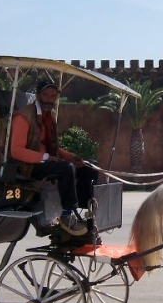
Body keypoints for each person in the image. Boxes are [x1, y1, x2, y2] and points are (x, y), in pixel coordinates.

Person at [7, 78, 96, 236]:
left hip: (45, 160)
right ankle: (66, 216)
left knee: (87, 168)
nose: (50, 98)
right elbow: (16, 151)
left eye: (53, 96)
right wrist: (47, 157)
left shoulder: (49, 116)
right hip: (27, 166)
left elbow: (53, 146)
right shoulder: (23, 117)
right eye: (46, 95)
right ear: (38, 95)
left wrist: (70, 156)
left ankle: (84, 215)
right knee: (66, 169)